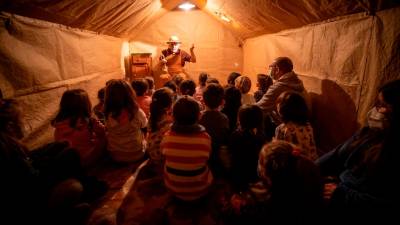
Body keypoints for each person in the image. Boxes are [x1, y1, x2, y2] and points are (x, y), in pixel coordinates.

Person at [316, 79, 400, 208]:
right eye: (376, 103)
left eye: (383, 105)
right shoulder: (369, 132)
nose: (375, 110)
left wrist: (341, 195)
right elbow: (337, 154)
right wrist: (308, 169)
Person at [161, 96, 212, 201]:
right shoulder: (205, 137)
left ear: (173, 116)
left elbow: (163, 155)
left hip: (173, 188)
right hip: (200, 189)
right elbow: (207, 157)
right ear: (199, 116)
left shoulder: (167, 136)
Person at [53, 89, 106, 168]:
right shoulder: (87, 120)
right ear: (85, 104)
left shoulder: (58, 123)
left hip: (68, 162)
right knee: (106, 137)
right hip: (85, 160)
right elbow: (102, 131)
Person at [104, 79, 148, 163]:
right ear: (130, 93)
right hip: (137, 153)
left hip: (114, 155)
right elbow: (145, 127)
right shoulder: (136, 112)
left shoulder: (107, 114)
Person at [256, 57, 308, 125]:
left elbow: (258, 108)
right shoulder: (298, 82)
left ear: (277, 69)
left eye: (271, 68)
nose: (270, 70)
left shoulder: (278, 87)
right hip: (301, 124)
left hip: (283, 126)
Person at [274, 91, 318, 160]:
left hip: (296, 167)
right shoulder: (307, 125)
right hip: (312, 163)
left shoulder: (281, 129)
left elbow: (277, 151)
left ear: (282, 111)